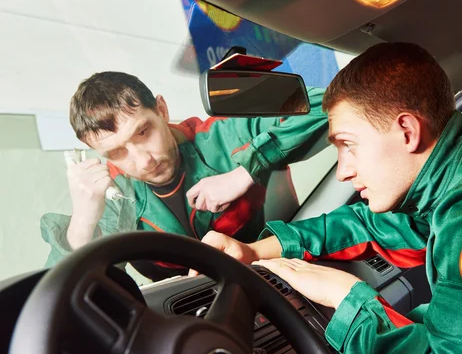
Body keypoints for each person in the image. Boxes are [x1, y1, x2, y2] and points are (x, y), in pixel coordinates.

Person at [200, 42, 462, 354]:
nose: (342, 171)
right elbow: (379, 226)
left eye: (347, 144)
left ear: (407, 131)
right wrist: (257, 251)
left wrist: (349, 302)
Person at [41, 71, 328, 281]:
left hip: (290, 278)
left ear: (162, 111)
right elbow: (67, 294)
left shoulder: (225, 135)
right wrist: (81, 225)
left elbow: (331, 104)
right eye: (116, 152)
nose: (143, 160)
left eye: (143, 132)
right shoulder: (114, 195)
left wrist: (245, 171)